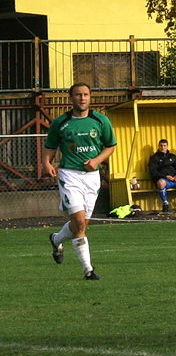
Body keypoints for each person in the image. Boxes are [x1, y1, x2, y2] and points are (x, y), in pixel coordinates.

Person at [43, 83, 116, 280]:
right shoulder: (61, 122)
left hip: (92, 177)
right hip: (69, 175)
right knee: (78, 221)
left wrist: (97, 161)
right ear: (71, 98)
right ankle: (88, 270)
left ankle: (57, 239)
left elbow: (110, 146)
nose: (82, 98)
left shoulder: (100, 121)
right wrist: (47, 162)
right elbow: (50, 145)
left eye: (85, 95)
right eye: (77, 95)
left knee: (82, 224)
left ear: (90, 97)